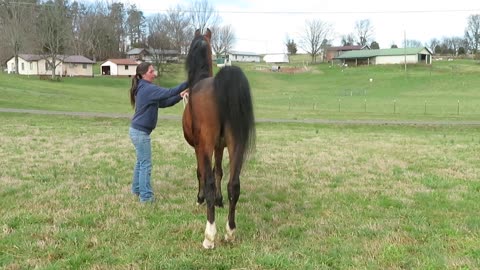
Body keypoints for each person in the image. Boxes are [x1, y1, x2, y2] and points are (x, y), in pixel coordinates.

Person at [129, 62, 189, 203]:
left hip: (136, 131)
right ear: (143, 75)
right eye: (151, 71)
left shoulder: (144, 88)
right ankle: (146, 197)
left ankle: (136, 190)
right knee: (145, 164)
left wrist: (181, 96)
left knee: (140, 162)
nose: (154, 73)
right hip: (140, 133)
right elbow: (168, 92)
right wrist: (189, 82)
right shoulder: (147, 88)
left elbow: (164, 102)